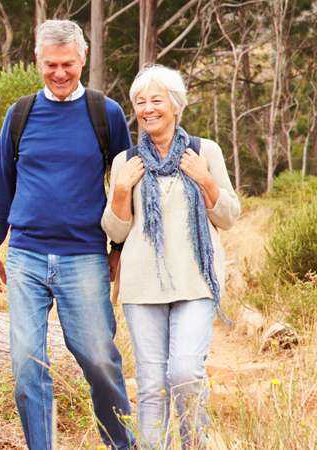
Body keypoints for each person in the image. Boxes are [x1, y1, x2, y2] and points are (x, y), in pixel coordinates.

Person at [0, 19, 134, 450]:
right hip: (26, 256)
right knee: (28, 364)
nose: (60, 73)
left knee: (99, 358)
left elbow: (125, 186)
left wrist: (119, 248)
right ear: (38, 61)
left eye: (68, 64)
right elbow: (2, 184)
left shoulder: (105, 114)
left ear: (83, 59)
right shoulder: (20, 114)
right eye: (51, 65)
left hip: (83, 256)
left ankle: (122, 443)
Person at [102, 65, 240, 449]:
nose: (147, 109)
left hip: (195, 282)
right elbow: (115, 233)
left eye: (156, 100)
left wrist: (206, 180)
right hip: (142, 287)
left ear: (175, 106)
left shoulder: (204, 151)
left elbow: (228, 217)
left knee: (184, 373)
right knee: (150, 384)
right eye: (140, 102)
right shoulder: (125, 162)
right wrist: (121, 190)